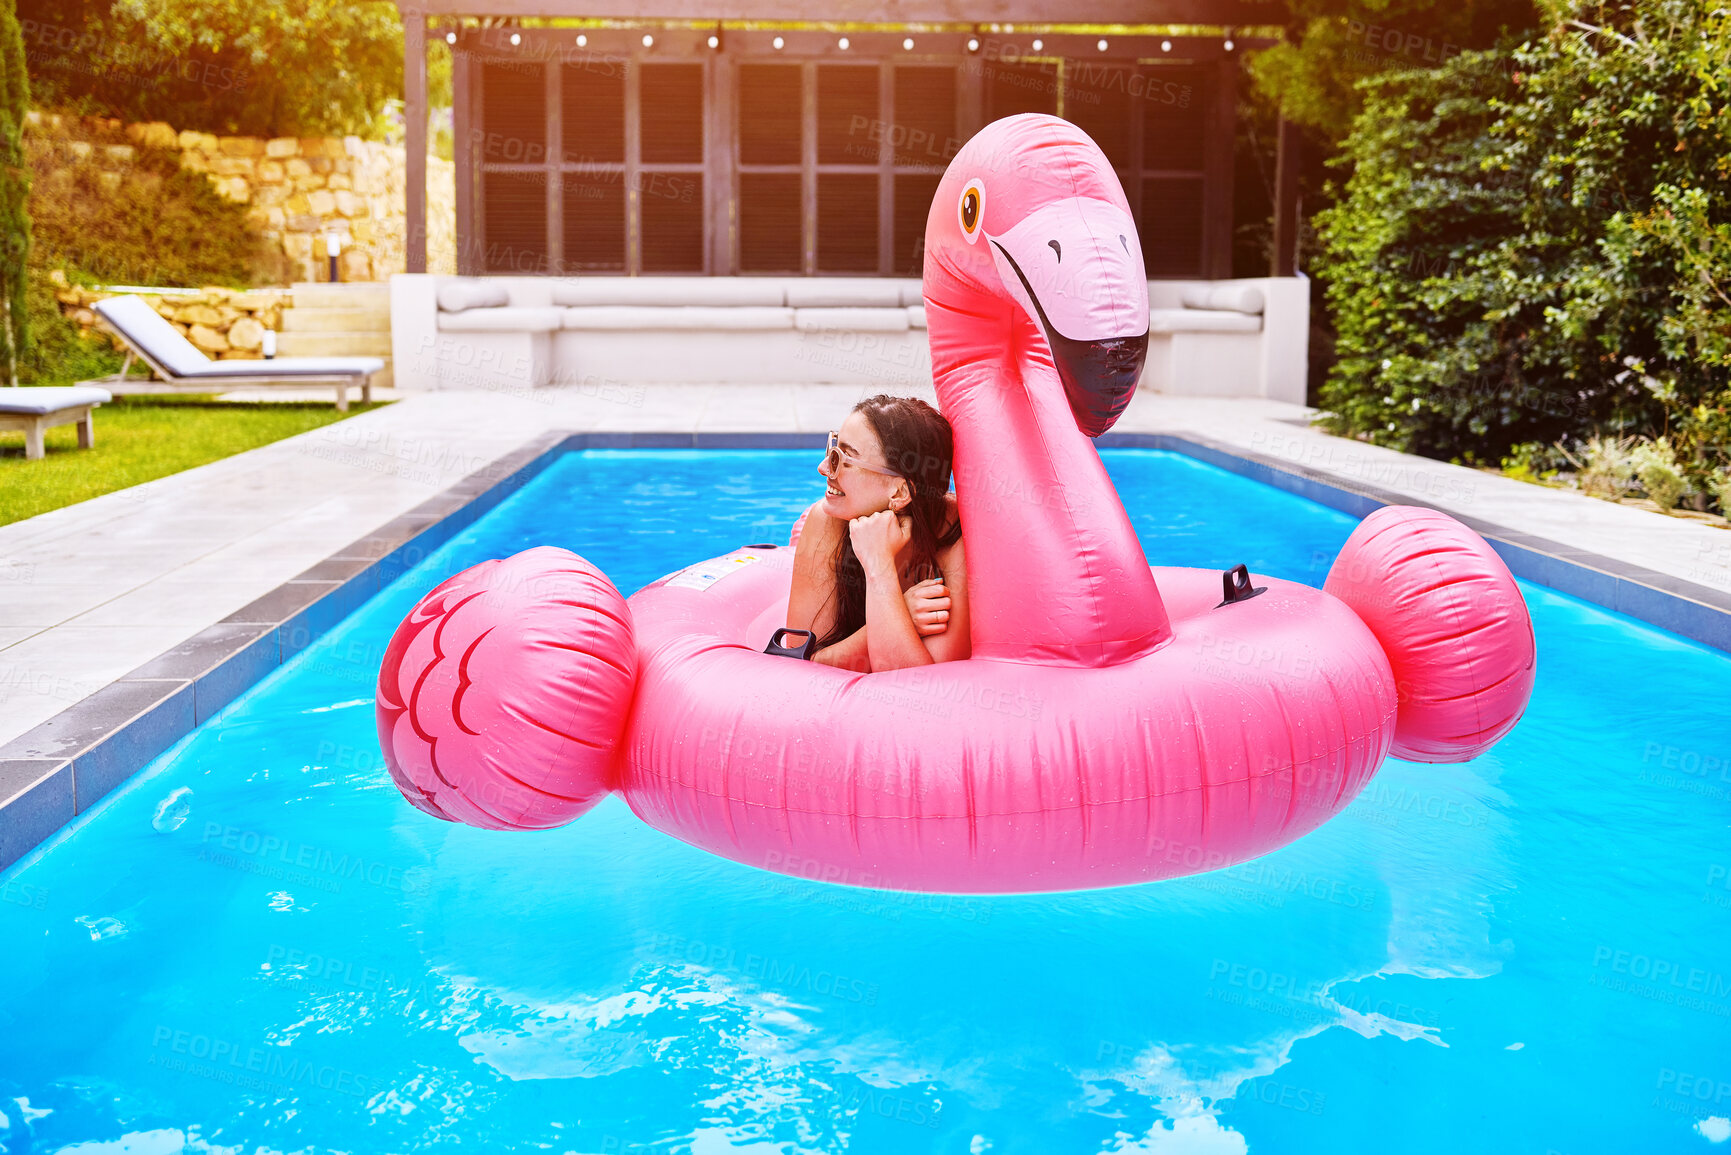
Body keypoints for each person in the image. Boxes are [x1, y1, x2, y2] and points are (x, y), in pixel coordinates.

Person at [786, 394, 968, 673]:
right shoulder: (827, 522)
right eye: (833, 450)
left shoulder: (955, 535)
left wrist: (878, 564)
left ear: (899, 491)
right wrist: (903, 613)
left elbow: (922, 685)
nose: (824, 468)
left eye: (845, 460)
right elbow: (799, 665)